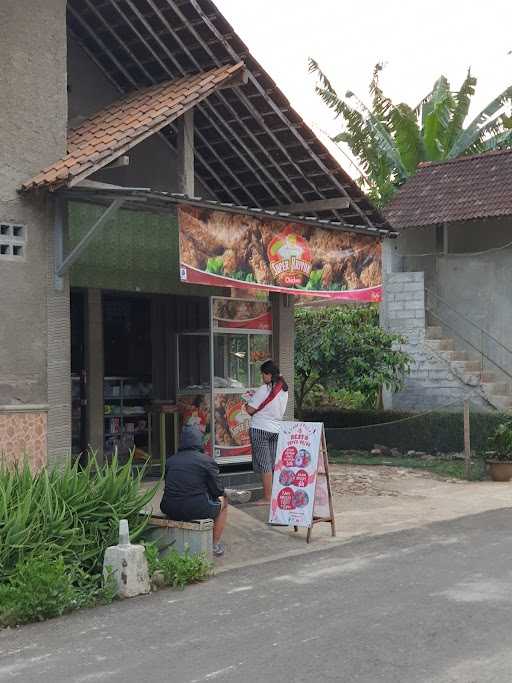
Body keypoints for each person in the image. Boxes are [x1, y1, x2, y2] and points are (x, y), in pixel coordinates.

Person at [160, 424, 228, 557]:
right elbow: (217, 491)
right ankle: (214, 544)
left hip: (169, 507)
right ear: (199, 441)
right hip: (196, 508)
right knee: (224, 502)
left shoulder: (170, 461)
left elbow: (169, 483)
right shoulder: (207, 461)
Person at [246, 360, 289, 505]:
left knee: (265, 464)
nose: (262, 378)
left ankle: (267, 497)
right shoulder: (284, 390)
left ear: (269, 374)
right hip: (276, 429)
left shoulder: (264, 389)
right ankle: (275, 494)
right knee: (272, 464)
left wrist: (246, 402)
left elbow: (250, 410)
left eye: (263, 374)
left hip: (260, 429)